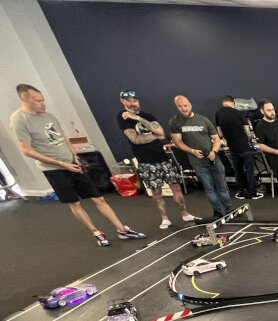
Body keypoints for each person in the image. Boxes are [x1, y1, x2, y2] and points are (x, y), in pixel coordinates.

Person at [10, 84, 145, 247]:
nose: (43, 104)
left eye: (43, 100)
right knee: (75, 203)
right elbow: (27, 150)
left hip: (72, 163)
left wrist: (75, 156)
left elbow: (64, 138)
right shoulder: (19, 120)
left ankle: (122, 229)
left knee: (99, 198)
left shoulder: (48, 116)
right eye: (38, 101)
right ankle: (96, 232)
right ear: (25, 99)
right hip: (54, 169)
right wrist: (61, 163)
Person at [117, 89, 201, 230]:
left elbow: (161, 132)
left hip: (162, 158)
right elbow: (135, 139)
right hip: (146, 162)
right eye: (129, 101)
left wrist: (137, 118)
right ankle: (165, 218)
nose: (133, 103)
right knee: (156, 192)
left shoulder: (146, 116)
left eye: (135, 100)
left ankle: (185, 213)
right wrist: (155, 135)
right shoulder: (122, 118)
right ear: (123, 101)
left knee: (176, 187)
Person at [168, 95, 233, 220]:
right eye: (180, 106)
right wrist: (192, 151)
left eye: (185, 105)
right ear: (177, 107)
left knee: (222, 187)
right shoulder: (175, 122)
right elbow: (177, 142)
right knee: (209, 188)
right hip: (197, 162)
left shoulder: (203, 120)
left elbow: (216, 138)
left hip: (214, 159)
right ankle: (217, 212)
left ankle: (229, 210)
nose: (184, 108)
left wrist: (214, 152)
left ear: (190, 105)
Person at [215, 95, 262, 201]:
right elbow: (247, 130)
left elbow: (220, 132)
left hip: (232, 148)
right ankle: (253, 193)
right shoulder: (238, 113)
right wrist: (250, 139)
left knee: (238, 171)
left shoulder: (218, 113)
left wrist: (227, 139)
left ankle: (240, 192)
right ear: (233, 103)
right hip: (244, 147)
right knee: (249, 170)